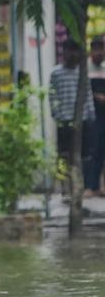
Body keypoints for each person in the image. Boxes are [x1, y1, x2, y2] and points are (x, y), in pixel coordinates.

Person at [51, 40, 98, 198]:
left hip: (82, 119)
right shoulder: (56, 73)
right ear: (63, 53)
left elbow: (88, 94)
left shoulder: (82, 72)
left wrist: (91, 115)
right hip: (64, 120)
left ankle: (79, 187)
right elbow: (52, 95)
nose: (72, 55)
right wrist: (56, 114)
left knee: (82, 155)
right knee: (64, 154)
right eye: (69, 51)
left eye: (75, 51)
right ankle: (65, 188)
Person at [88, 37, 105, 197]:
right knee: (93, 150)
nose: (100, 53)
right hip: (91, 116)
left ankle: (99, 186)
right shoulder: (86, 68)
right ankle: (91, 186)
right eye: (97, 49)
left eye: (102, 49)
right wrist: (95, 97)